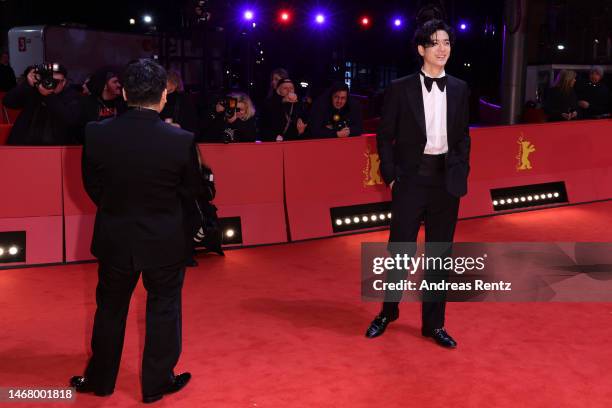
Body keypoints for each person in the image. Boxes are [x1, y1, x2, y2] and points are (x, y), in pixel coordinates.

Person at [71, 59, 201, 403]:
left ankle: (100, 380)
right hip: (165, 239)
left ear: (125, 93)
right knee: (164, 308)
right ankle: (157, 384)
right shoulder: (181, 139)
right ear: (163, 95)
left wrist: (118, 208)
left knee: (110, 308)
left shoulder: (96, 132)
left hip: (116, 236)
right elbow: (192, 192)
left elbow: (92, 186)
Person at [365, 18, 471, 349]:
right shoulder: (399, 88)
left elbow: (463, 136)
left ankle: (433, 324)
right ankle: (388, 311)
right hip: (411, 179)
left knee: (440, 255)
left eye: (447, 43)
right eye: (436, 43)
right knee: (400, 251)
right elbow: (385, 137)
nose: (443, 49)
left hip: (446, 182)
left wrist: (461, 169)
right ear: (421, 49)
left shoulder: (459, 88)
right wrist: (393, 176)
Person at [3, 63, 81, 145]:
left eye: (56, 81)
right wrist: (27, 84)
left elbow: (70, 119)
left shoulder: (71, 96)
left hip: (55, 150)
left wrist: (48, 96)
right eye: (49, 79)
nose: (51, 83)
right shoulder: (33, 91)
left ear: (64, 82)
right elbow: (8, 102)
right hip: (23, 146)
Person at [78, 67, 127, 142]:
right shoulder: (89, 103)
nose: (119, 85)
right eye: (115, 82)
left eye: (118, 82)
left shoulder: (122, 104)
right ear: (104, 86)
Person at [160, 70, 199, 135]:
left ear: (174, 84)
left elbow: (194, 127)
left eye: (166, 81)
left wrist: (179, 127)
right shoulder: (159, 97)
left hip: (179, 138)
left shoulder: (184, 99)